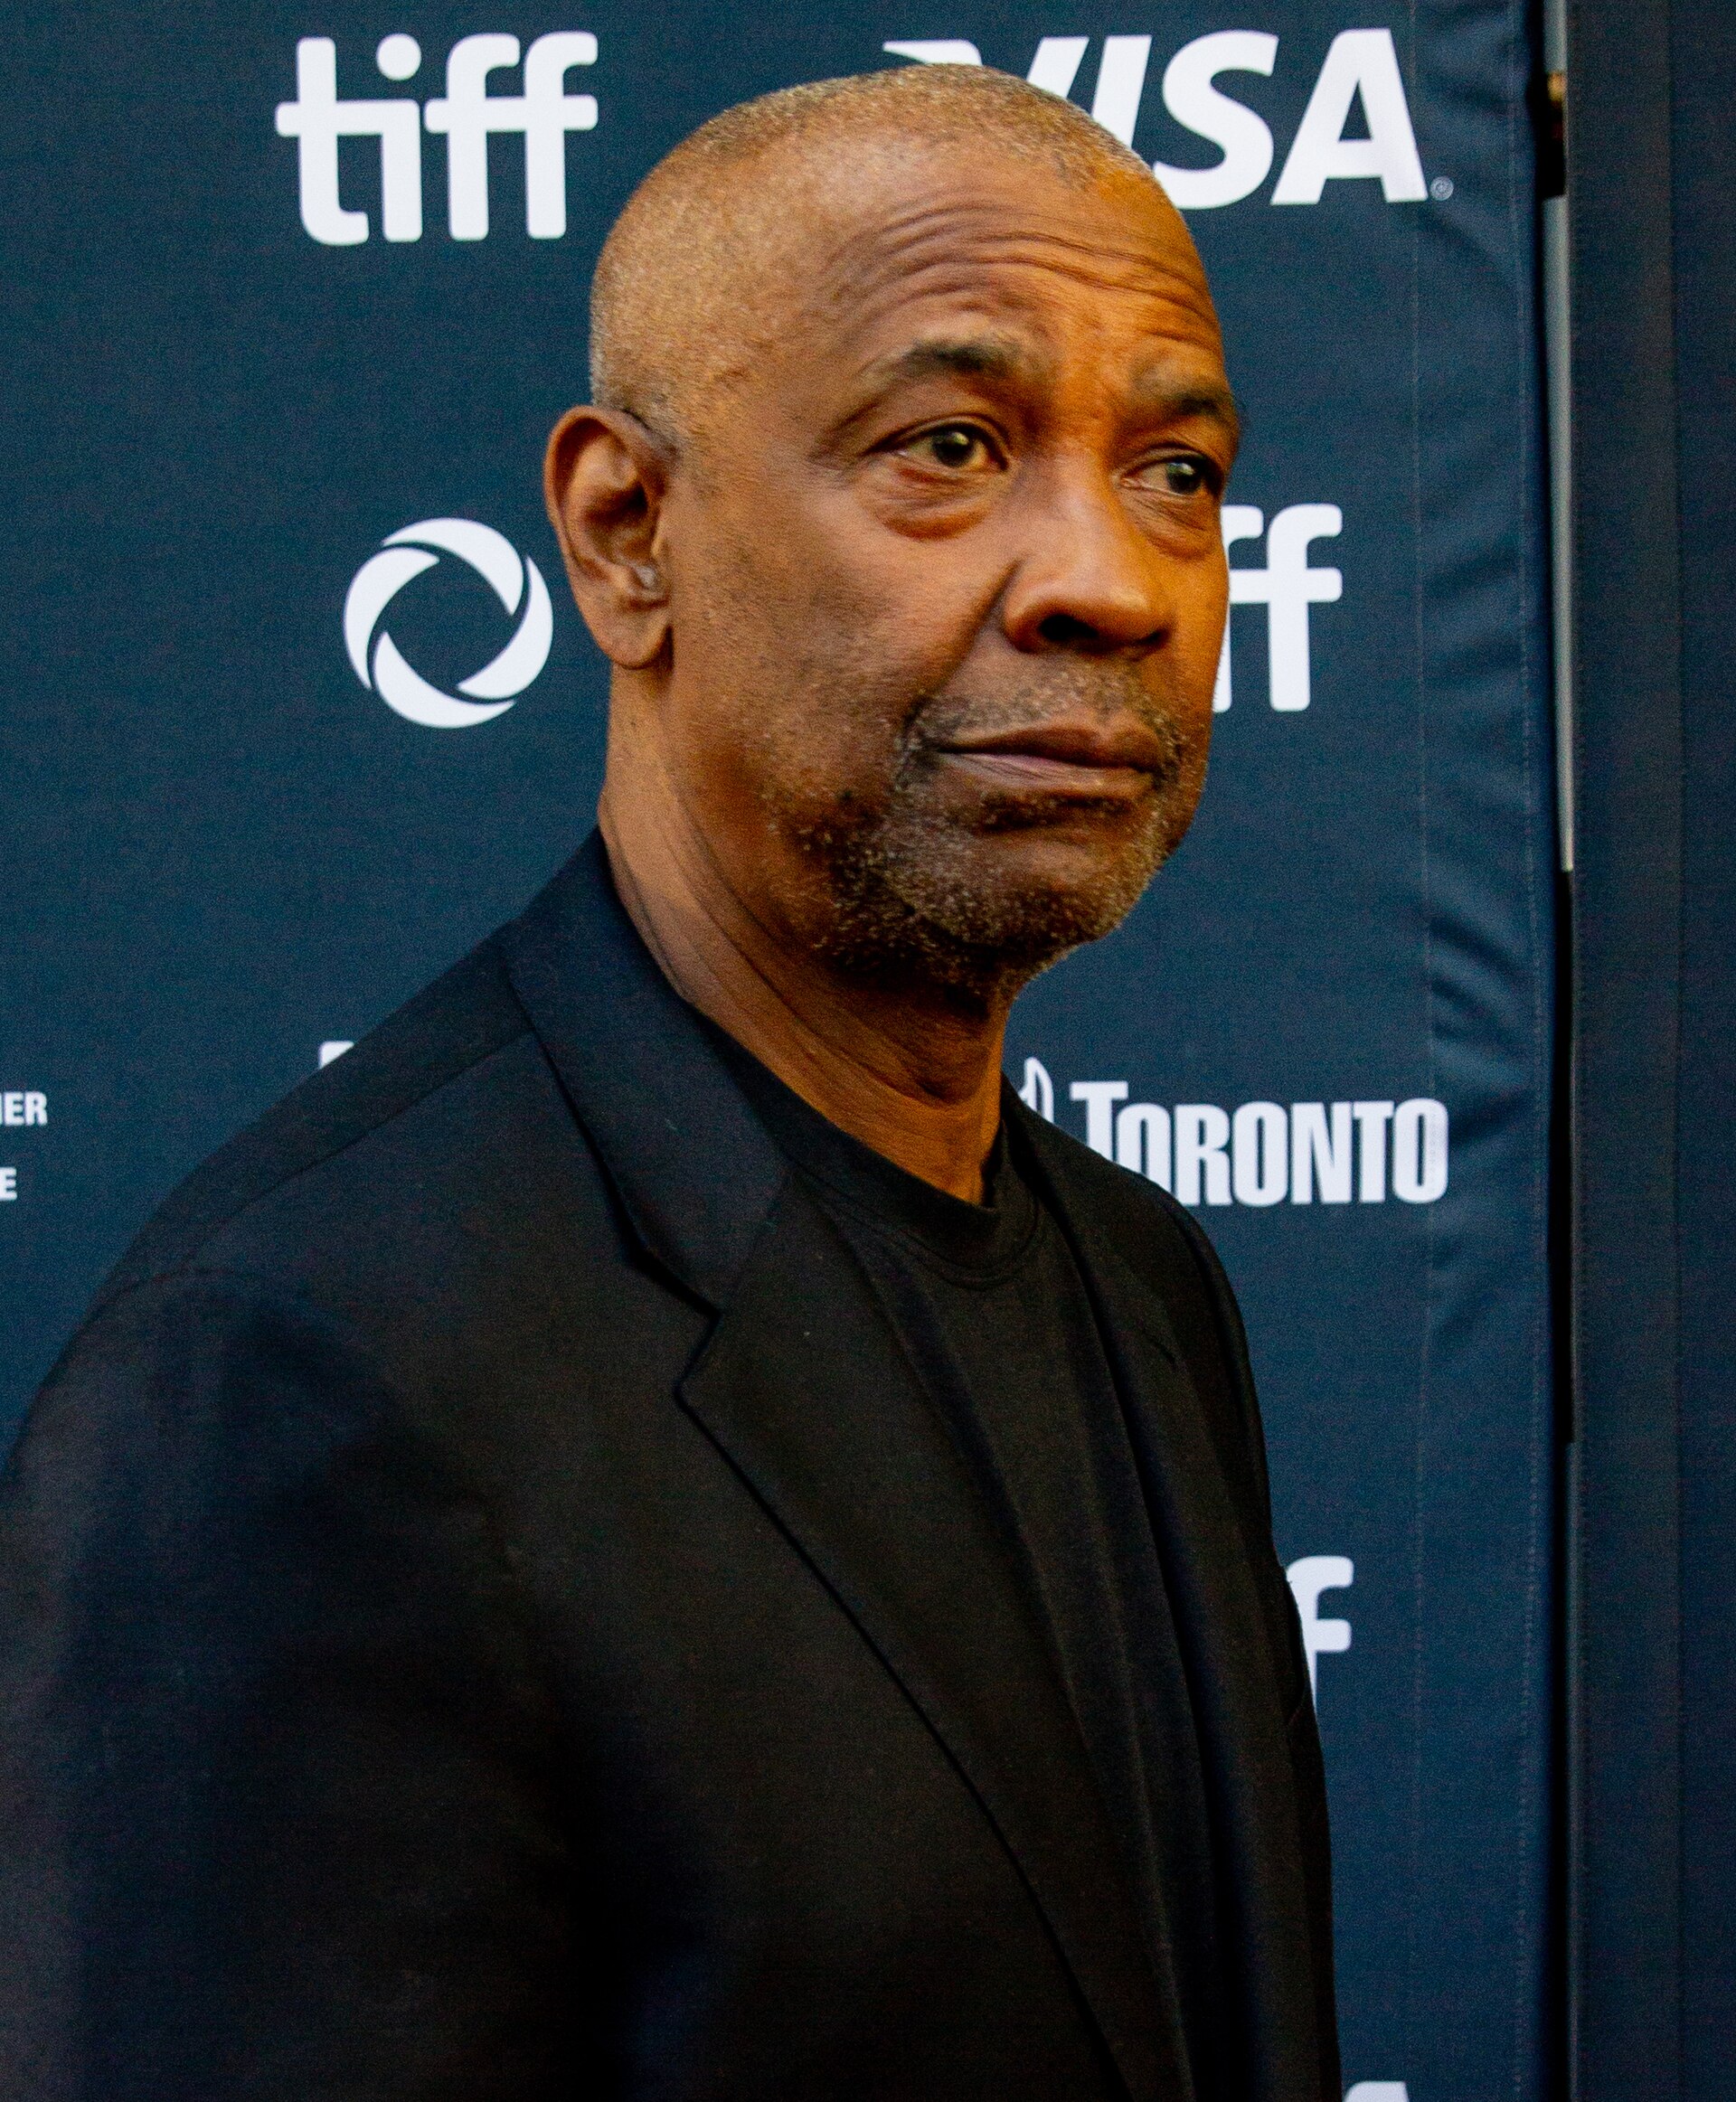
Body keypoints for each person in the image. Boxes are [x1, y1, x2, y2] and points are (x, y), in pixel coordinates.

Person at [0, 64, 1337, 2102]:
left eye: (1178, 470)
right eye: (952, 447)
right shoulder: (296, 1368)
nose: (1115, 581)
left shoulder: (1148, 1287)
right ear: (628, 535)